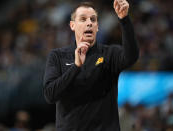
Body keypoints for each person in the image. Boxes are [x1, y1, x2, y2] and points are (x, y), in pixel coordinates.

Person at [43, 0, 139, 130]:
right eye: (83, 19)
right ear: (72, 25)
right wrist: (76, 67)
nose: (89, 23)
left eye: (93, 20)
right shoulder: (58, 56)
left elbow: (131, 57)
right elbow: (50, 95)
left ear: (97, 27)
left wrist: (124, 20)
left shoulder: (110, 53)